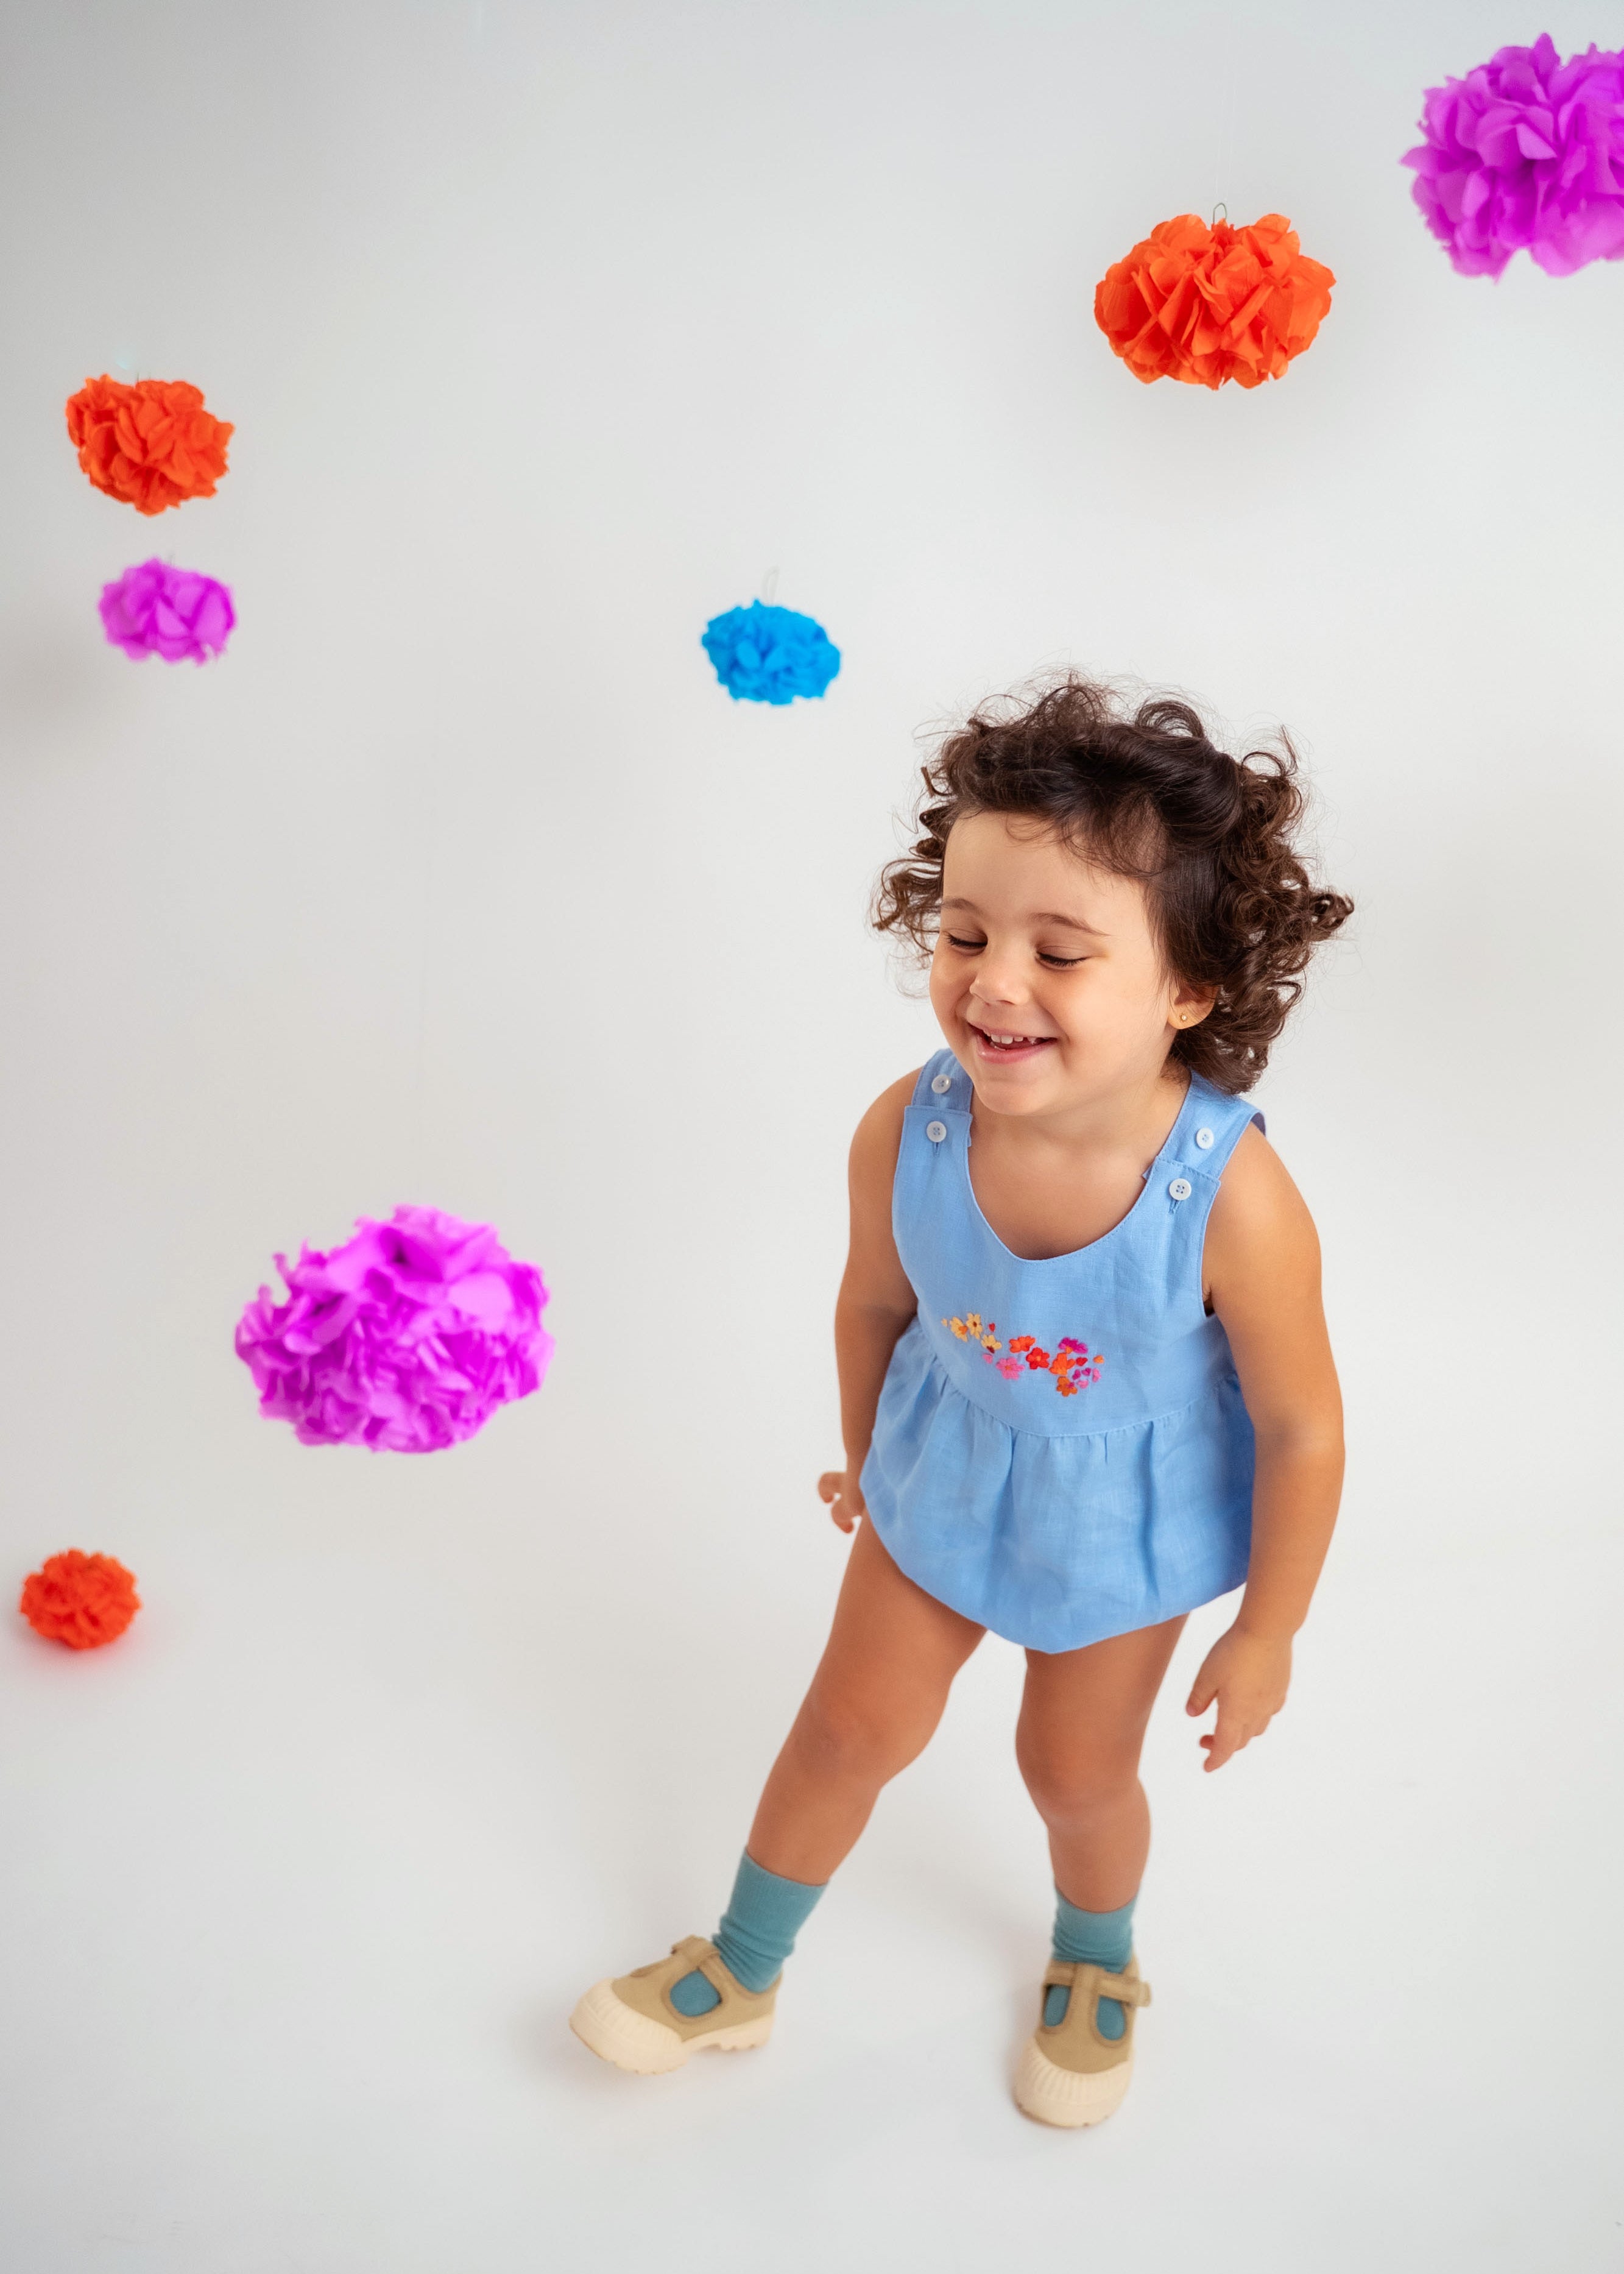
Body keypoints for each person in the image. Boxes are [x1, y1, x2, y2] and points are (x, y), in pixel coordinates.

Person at [570, 677, 1351, 2127]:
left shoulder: (1228, 1194)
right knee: (844, 1731)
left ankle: (1098, 1959)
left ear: (1189, 989)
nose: (993, 982)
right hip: (942, 1476)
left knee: (1071, 1770)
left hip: (1119, 1524)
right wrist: (864, 1454)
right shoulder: (908, 1124)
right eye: (965, 934)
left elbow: (1303, 1423)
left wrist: (1270, 1629)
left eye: (1061, 953)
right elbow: (876, 1300)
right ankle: (740, 1968)